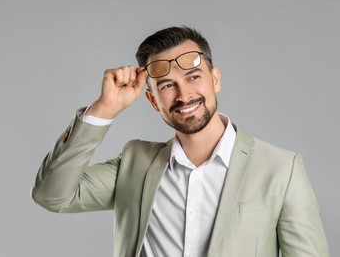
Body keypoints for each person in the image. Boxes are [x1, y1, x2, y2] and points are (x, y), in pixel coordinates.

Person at [32, 26, 329, 257]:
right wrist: (104, 109)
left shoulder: (280, 168)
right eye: (166, 85)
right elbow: (51, 194)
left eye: (193, 77)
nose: (184, 95)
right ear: (152, 99)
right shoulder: (136, 163)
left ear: (215, 79)